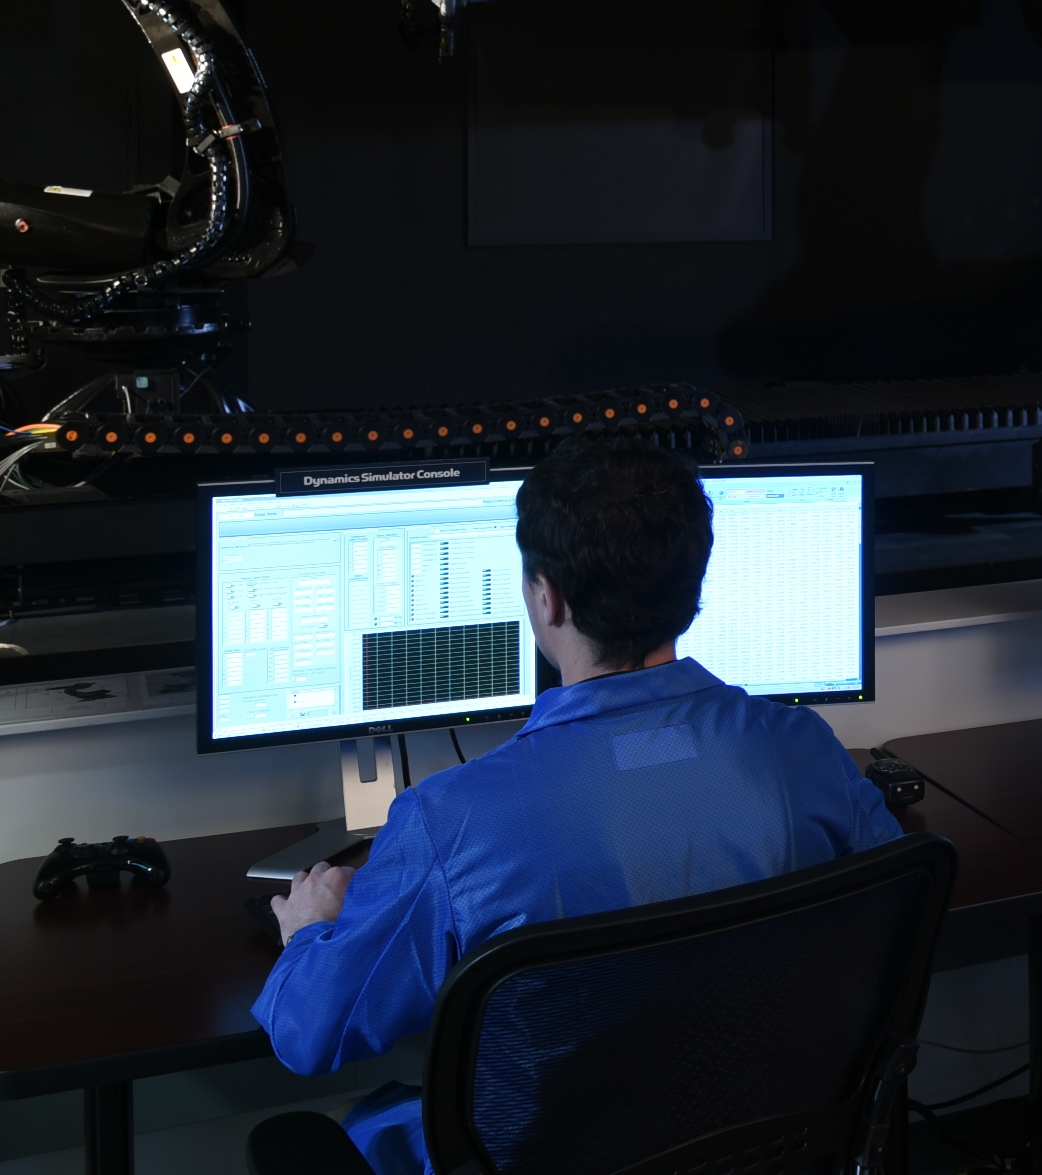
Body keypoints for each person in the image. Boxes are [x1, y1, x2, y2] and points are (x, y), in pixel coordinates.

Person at [251, 438, 897, 1175]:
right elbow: (888, 896)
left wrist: (307, 933)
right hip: (761, 1145)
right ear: (692, 584)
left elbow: (311, 1039)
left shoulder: (452, 819)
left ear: (545, 595)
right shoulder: (801, 747)